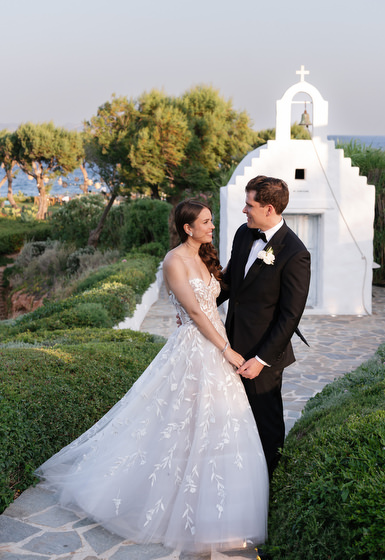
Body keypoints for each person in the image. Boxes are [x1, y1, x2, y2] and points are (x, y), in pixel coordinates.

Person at [35, 199, 269, 555]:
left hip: (213, 342)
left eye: (211, 221)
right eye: (206, 222)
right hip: (197, 348)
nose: (212, 226)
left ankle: (216, 510)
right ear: (187, 228)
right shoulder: (174, 260)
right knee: (178, 422)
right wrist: (227, 349)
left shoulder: (205, 256)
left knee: (215, 425)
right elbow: (193, 309)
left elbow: (211, 301)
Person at [218, 175, 311, 478]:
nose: (245, 211)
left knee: (265, 423)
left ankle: (270, 486)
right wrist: (198, 308)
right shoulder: (244, 234)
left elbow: (289, 316)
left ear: (269, 208)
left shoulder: (295, 253)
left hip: (263, 357)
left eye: (249, 205)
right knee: (229, 417)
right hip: (230, 346)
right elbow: (231, 283)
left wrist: (260, 360)